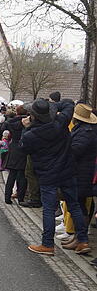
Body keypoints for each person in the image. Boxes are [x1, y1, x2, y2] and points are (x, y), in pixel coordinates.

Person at [20, 98, 88, 256]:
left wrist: (25, 127)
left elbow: (23, 149)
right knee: (74, 205)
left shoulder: (31, 134)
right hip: (67, 171)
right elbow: (69, 103)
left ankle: (47, 244)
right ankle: (83, 240)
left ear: (33, 116)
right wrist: (50, 108)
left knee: (49, 210)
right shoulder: (60, 121)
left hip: (48, 174)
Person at [60, 103, 97, 252]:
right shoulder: (84, 130)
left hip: (82, 174)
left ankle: (82, 239)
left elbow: (75, 151)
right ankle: (78, 237)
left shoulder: (85, 133)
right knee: (78, 206)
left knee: (78, 206)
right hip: (81, 173)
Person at [2, 106, 28, 205]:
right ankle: (21, 198)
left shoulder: (13, 122)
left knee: (12, 175)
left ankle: (7, 197)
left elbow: (5, 126)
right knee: (21, 175)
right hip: (24, 149)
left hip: (14, 148)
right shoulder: (28, 122)